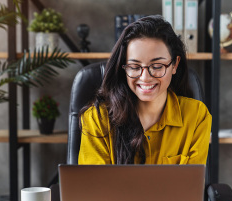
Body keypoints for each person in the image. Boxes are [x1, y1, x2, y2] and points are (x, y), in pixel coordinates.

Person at [78, 15, 212, 165]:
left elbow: (191, 185)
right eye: (135, 67)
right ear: (124, 67)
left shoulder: (196, 116)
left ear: (174, 64)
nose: (145, 77)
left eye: (157, 66)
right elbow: (94, 186)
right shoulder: (97, 119)